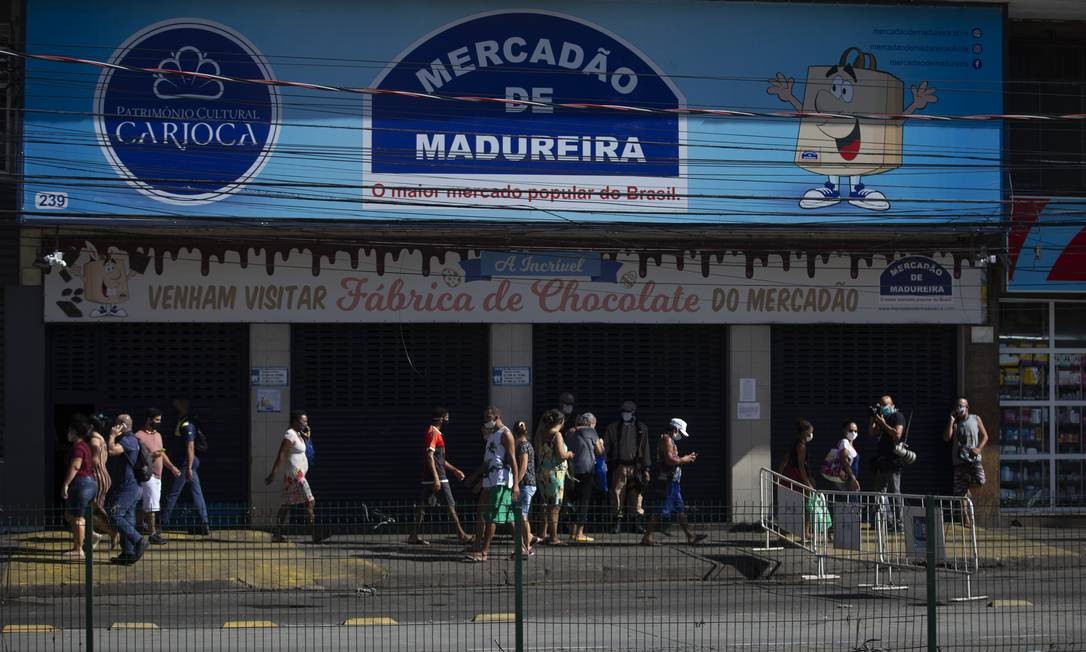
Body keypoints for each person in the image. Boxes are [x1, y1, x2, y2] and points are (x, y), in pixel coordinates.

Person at [407, 407, 472, 545]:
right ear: (442, 419)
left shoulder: (436, 433)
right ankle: (461, 535)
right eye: (447, 417)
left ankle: (413, 535)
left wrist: (455, 470)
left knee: (422, 507)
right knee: (450, 504)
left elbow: (440, 460)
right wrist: (437, 478)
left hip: (430, 477)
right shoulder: (433, 433)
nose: (448, 420)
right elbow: (429, 457)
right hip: (438, 477)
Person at [465, 407, 519, 562]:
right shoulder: (492, 436)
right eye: (485, 417)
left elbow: (513, 459)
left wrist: (515, 484)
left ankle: (484, 552)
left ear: (497, 417)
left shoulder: (505, 434)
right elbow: (488, 462)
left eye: (488, 417)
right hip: (489, 480)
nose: (486, 420)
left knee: (492, 517)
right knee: (504, 517)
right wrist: (475, 477)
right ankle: (521, 548)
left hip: (500, 481)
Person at [641, 418, 706, 546]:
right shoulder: (667, 440)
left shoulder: (668, 440)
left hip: (672, 481)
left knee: (679, 509)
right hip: (668, 481)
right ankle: (647, 537)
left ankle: (690, 536)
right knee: (659, 509)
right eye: (681, 434)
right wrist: (685, 459)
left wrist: (685, 459)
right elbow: (670, 461)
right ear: (675, 430)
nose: (681, 436)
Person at [265, 410, 325, 543]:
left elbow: (307, 450)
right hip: (296, 475)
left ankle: (277, 534)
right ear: (295, 421)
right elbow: (281, 455)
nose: (306, 423)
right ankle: (315, 533)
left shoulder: (299, 435)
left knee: (286, 504)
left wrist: (307, 437)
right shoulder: (290, 435)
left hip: (294, 476)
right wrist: (273, 474)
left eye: (306, 421)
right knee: (310, 501)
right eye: (303, 421)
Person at [160, 398, 210, 535]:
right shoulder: (183, 421)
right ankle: (204, 523)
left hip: (185, 463)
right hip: (188, 462)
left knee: (173, 492)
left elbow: (190, 446)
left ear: (183, 406)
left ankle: (161, 523)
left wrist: (188, 467)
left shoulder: (187, 424)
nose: (174, 406)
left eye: (177, 403)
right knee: (196, 492)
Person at [105, 415, 149, 565]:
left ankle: (138, 541)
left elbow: (111, 451)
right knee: (128, 518)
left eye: (116, 424)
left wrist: (111, 436)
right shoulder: (130, 439)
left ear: (123, 425)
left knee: (114, 515)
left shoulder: (128, 440)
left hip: (128, 487)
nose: (113, 426)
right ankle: (128, 553)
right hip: (131, 486)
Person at [134, 408, 181, 545]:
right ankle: (153, 533)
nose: (159, 423)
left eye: (160, 420)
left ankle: (139, 525)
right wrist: (150, 456)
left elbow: (162, 454)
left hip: (158, 475)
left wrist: (172, 467)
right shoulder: (139, 436)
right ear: (149, 419)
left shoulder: (158, 435)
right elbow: (136, 458)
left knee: (147, 503)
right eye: (157, 420)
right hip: (148, 475)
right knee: (152, 505)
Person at [604, 400, 650, 533]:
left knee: (637, 494)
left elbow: (645, 449)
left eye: (628, 412)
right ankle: (616, 521)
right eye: (624, 412)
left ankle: (636, 522)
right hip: (619, 466)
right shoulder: (613, 428)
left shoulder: (642, 428)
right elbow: (606, 446)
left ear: (633, 413)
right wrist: (605, 463)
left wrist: (646, 468)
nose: (626, 414)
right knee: (617, 493)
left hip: (637, 466)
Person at [943, 397, 989, 528]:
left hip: (974, 459)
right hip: (959, 460)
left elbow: (985, 436)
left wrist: (979, 448)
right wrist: (951, 421)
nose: (959, 408)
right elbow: (946, 437)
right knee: (959, 491)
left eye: (961, 406)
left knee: (981, 481)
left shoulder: (975, 419)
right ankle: (966, 518)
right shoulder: (955, 422)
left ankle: (967, 488)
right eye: (957, 406)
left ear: (967, 407)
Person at [60, 414, 99, 559]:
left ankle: (78, 550)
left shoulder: (78, 448)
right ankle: (92, 535)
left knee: (77, 518)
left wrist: (65, 484)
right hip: (89, 483)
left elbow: (75, 466)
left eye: (70, 430)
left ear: (75, 431)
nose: (67, 433)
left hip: (81, 483)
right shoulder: (85, 446)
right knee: (70, 514)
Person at [535, 409, 572, 546]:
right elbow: (561, 455)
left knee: (545, 504)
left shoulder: (541, 434)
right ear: (561, 422)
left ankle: (542, 533)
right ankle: (554, 538)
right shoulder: (557, 435)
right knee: (555, 506)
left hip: (542, 473)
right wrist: (569, 454)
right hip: (554, 474)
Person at [870, 395, 908, 529]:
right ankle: (887, 521)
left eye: (885, 405)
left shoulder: (897, 416)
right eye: (881, 405)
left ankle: (900, 522)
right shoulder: (882, 418)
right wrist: (873, 418)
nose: (883, 407)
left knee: (895, 491)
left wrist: (883, 423)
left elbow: (897, 434)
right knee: (880, 492)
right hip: (882, 460)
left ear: (892, 405)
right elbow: (872, 432)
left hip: (893, 460)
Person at [566, 412, 604, 543]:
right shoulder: (591, 432)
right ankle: (579, 533)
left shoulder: (570, 432)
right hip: (586, 470)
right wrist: (601, 443)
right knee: (584, 501)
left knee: (571, 499)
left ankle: (572, 531)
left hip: (570, 470)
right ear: (590, 423)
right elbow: (599, 451)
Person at [88, 414, 117, 550]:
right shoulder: (101, 438)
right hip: (102, 475)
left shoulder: (94, 439)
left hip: (97, 476)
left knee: (94, 510)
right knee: (94, 508)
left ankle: (112, 531)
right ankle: (92, 537)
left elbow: (94, 460)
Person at [512, 420, 537, 557]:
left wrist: (515, 483)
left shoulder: (522, 446)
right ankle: (530, 538)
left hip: (525, 484)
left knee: (523, 516)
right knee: (521, 515)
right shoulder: (527, 445)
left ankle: (526, 548)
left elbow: (523, 467)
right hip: (528, 484)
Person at [820, 421, 861, 492]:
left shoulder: (851, 446)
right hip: (845, 481)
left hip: (849, 482)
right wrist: (853, 478)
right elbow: (844, 459)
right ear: (844, 431)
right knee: (849, 501)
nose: (853, 433)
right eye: (851, 430)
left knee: (851, 501)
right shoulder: (844, 442)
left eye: (855, 431)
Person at [779, 418, 816, 490]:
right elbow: (801, 465)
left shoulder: (794, 443)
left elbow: (785, 460)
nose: (811, 435)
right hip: (796, 476)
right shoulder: (801, 446)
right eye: (810, 432)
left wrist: (779, 474)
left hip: (789, 474)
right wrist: (807, 483)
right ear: (804, 432)